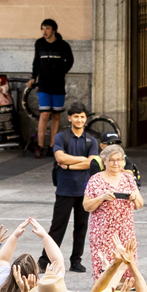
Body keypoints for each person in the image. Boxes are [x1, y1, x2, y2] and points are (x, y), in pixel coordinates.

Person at [46, 104, 100, 275]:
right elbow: (59, 157)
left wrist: (68, 166)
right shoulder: (62, 137)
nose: (79, 120)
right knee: (57, 226)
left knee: (81, 227)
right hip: (65, 189)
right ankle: (46, 259)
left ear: (86, 119)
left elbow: (92, 163)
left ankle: (76, 260)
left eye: (82, 117)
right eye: (76, 116)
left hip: (85, 191)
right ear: (69, 118)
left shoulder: (91, 140)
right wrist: (82, 160)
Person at [81, 142, 143, 279]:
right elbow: (86, 206)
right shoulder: (95, 180)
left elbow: (139, 204)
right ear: (105, 161)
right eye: (112, 160)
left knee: (127, 271)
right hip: (103, 232)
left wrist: (133, 198)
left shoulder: (128, 178)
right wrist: (102, 198)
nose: (116, 164)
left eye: (119, 160)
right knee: (105, 271)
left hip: (125, 231)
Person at [31, 18, 75, 155]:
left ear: (54, 30)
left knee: (56, 115)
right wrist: (33, 77)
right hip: (43, 84)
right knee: (44, 114)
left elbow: (70, 60)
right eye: (42, 28)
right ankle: (40, 146)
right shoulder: (39, 44)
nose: (44, 31)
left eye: (47, 28)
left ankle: (52, 145)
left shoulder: (63, 45)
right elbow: (36, 61)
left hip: (58, 85)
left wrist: (61, 71)